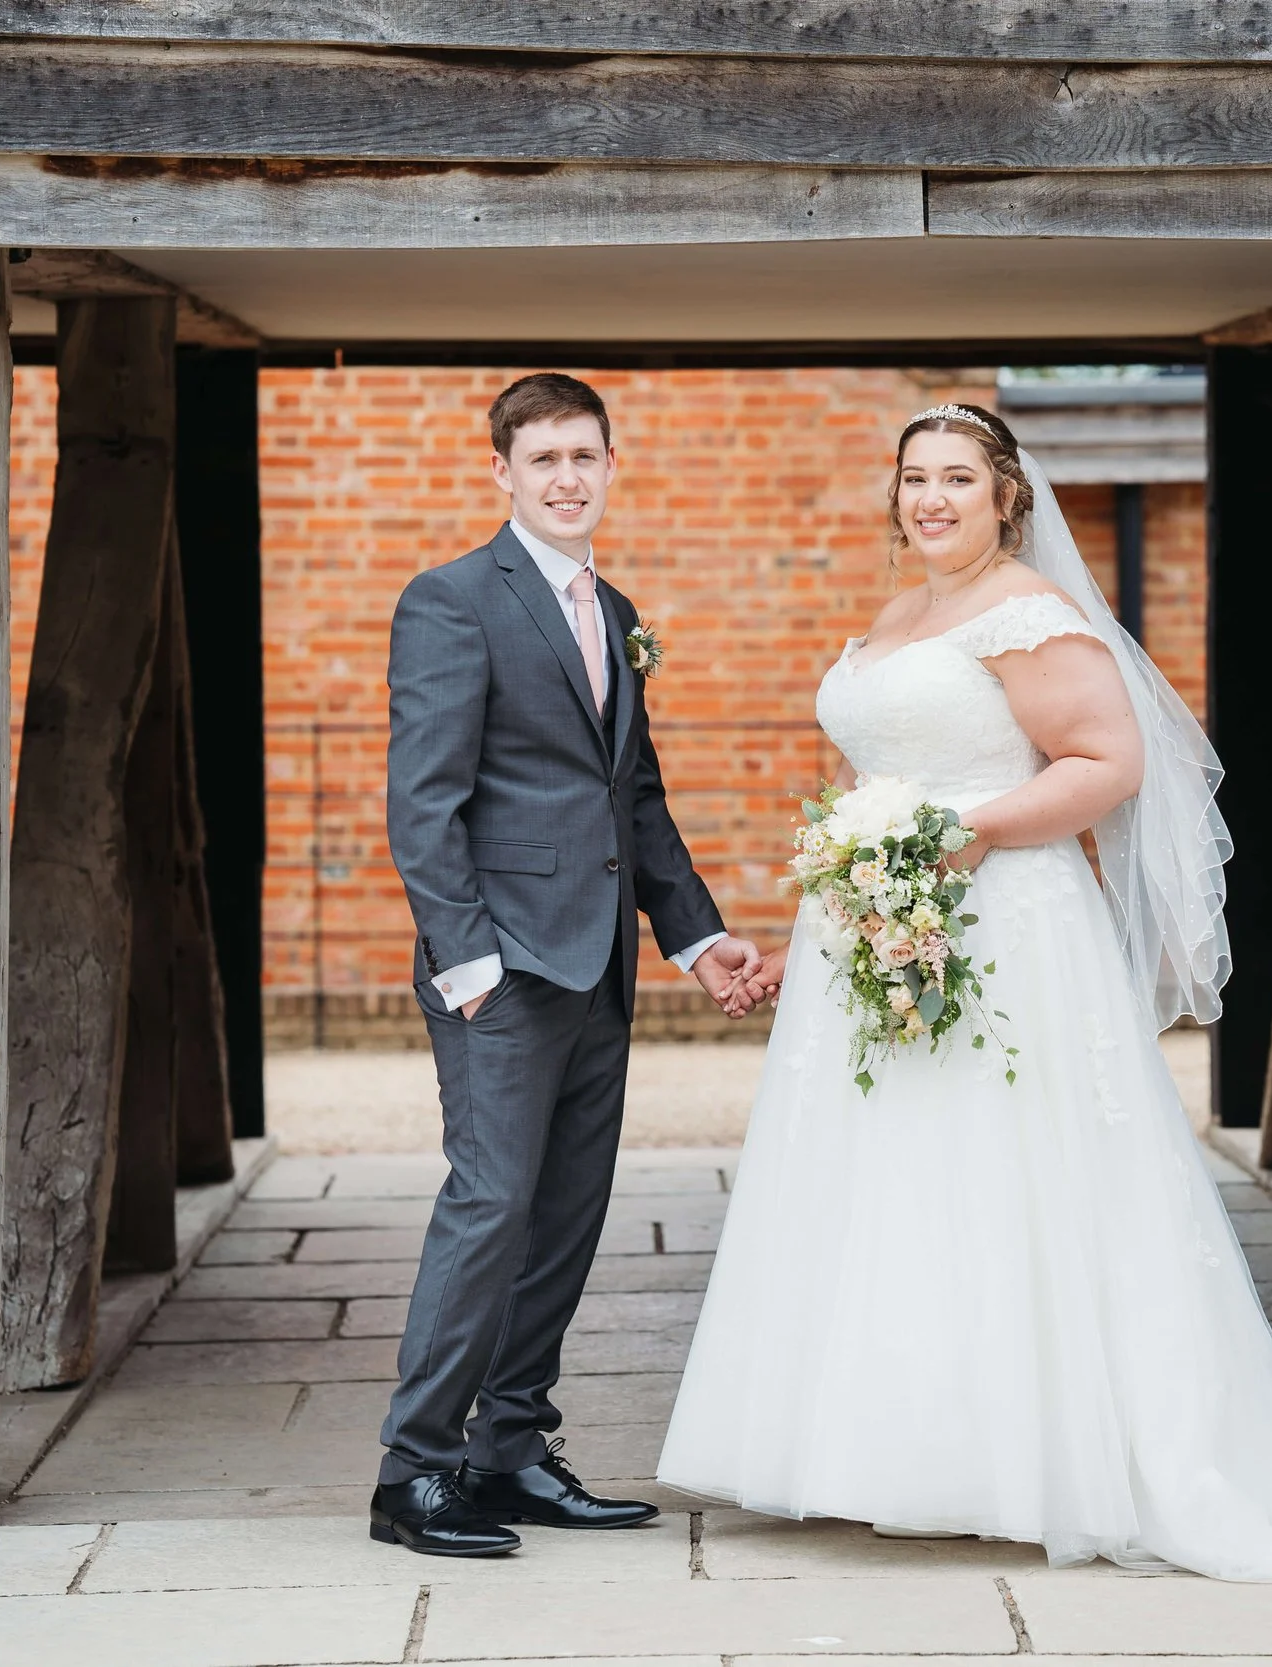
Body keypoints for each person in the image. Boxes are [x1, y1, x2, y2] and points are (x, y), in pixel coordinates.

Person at [656, 402, 1272, 1580]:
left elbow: (1107, 764)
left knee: (1003, 1174)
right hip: (879, 932)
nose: (931, 498)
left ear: (1005, 497)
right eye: (915, 478)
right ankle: (897, 1451)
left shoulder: (1029, 612)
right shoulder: (900, 615)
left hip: (1003, 931)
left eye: (957, 480)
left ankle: (1044, 1459)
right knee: (888, 1177)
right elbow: (866, 781)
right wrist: (820, 917)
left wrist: (956, 835)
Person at [374, 372, 766, 1557]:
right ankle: (415, 1471)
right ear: (502, 472)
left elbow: (629, 795)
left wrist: (696, 935)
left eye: (584, 457)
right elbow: (423, 803)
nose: (565, 478)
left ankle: (509, 1449)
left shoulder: (616, 604)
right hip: (503, 967)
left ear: (610, 463)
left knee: (566, 1215)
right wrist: (467, 964)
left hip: (597, 967)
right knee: (490, 1207)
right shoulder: (451, 602)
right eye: (542, 459)